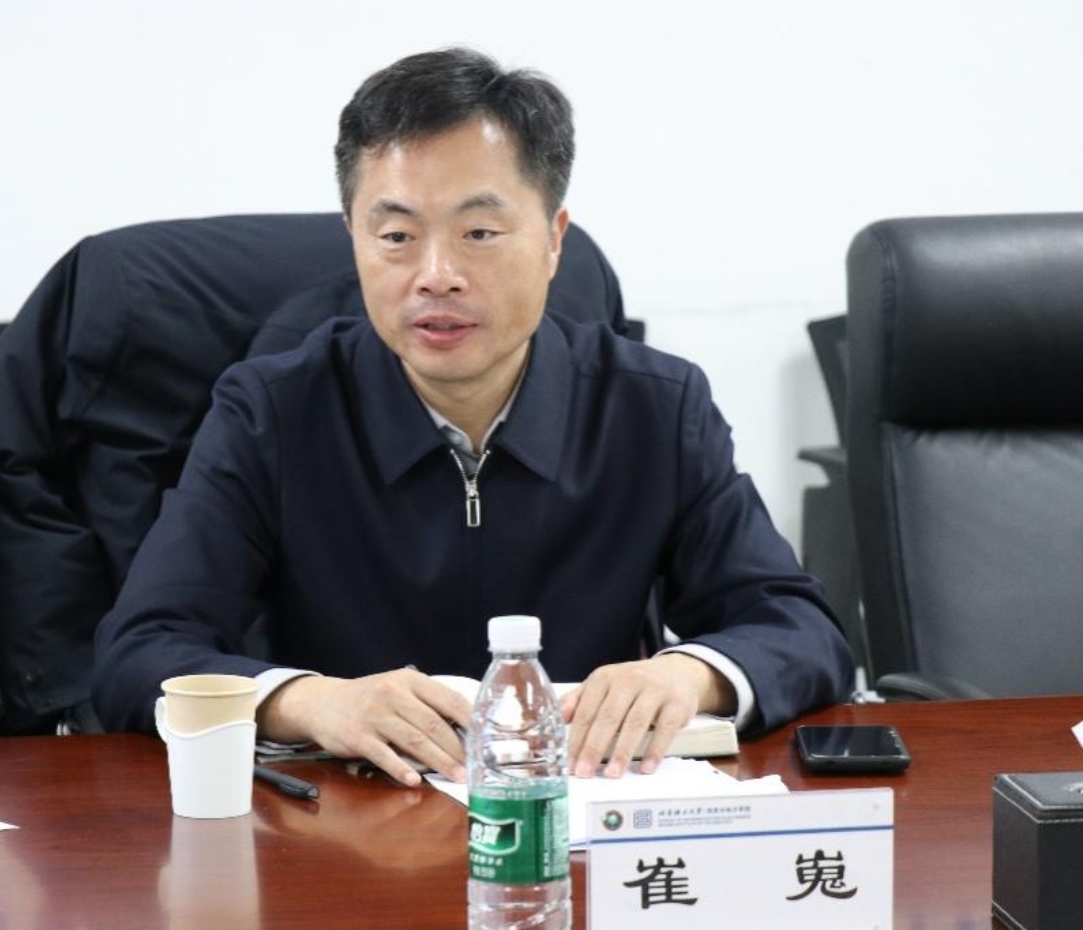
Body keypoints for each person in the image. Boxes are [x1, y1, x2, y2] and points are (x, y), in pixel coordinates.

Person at [94, 47, 853, 786]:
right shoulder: (273, 412)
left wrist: (689, 676)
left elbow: (799, 629)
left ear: (553, 241)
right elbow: (141, 650)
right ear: (354, 241)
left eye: (479, 233)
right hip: (351, 822)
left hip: (583, 816)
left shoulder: (653, 407)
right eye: (396, 236)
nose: (436, 276)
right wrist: (308, 701)